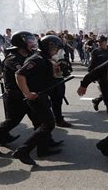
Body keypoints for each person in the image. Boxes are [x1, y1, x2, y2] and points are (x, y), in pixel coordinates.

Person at [12, 35, 64, 165]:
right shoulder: (37, 59)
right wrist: (27, 93)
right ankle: (23, 150)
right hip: (35, 97)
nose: (57, 51)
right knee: (48, 124)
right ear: (48, 46)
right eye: (55, 48)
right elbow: (19, 74)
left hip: (42, 95)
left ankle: (43, 149)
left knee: (44, 124)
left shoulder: (45, 58)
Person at [88, 35, 108, 114]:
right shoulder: (95, 52)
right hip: (101, 75)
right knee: (106, 91)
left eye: (101, 42)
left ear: (106, 42)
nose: (99, 44)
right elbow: (92, 64)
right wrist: (91, 75)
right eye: (99, 42)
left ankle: (97, 100)